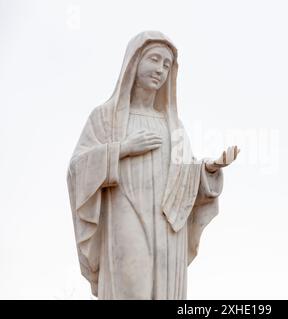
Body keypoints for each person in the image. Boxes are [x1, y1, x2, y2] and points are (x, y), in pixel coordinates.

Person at [67, 31, 239, 299]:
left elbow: (184, 176)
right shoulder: (106, 118)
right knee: (132, 287)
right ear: (135, 62)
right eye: (154, 60)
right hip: (126, 215)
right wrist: (121, 150)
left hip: (166, 225)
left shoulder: (173, 126)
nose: (160, 70)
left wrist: (209, 169)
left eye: (167, 65)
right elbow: (77, 170)